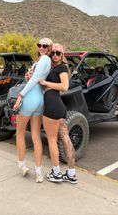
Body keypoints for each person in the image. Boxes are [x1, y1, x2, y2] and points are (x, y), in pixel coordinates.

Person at [13, 38, 52, 183]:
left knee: (20, 133)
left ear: (49, 48)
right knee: (36, 135)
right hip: (40, 99)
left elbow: (35, 78)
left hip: (30, 97)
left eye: (45, 46)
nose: (41, 47)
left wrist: (21, 95)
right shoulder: (46, 62)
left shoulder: (43, 59)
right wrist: (28, 76)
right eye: (39, 45)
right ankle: (39, 172)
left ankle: (22, 165)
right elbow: (36, 77)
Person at [39, 43, 78, 184]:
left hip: (52, 107)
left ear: (62, 55)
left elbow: (64, 86)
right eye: (53, 53)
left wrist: (45, 83)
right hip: (58, 107)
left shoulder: (62, 68)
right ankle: (71, 174)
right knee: (65, 139)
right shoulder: (53, 67)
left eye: (58, 53)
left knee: (51, 141)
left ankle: (56, 173)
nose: (55, 55)